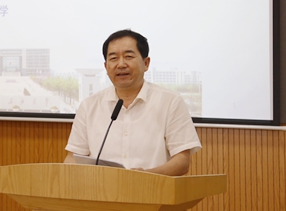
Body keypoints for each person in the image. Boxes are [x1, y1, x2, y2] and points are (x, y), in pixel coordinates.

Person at [64, 29, 201, 175]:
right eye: (113, 58)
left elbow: (182, 161)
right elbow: (72, 158)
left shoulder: (170, 102)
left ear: (146, 63)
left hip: (152, 187)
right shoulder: (89, 106)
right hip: (101, 188)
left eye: (128, 56)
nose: (121, 64)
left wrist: (145, 177)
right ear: (106, 67)